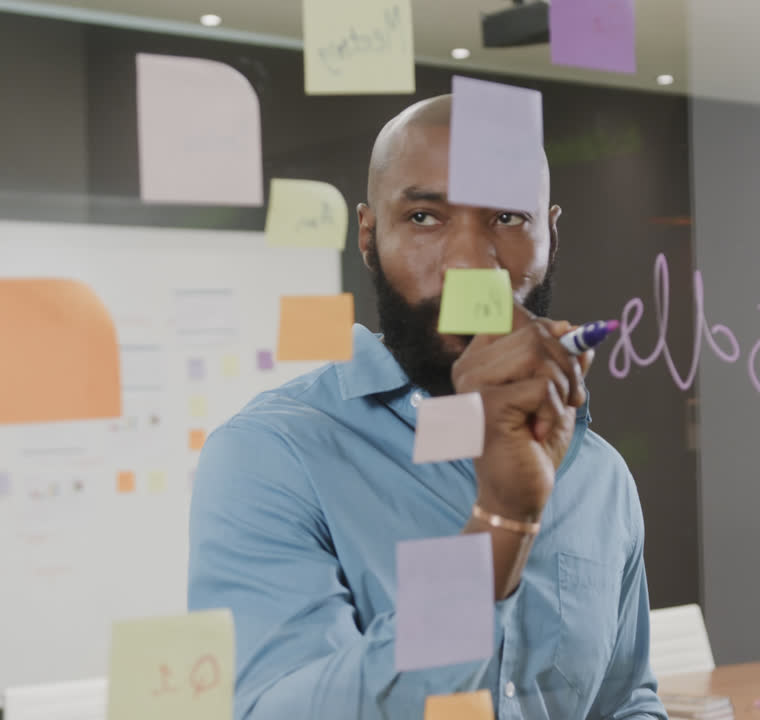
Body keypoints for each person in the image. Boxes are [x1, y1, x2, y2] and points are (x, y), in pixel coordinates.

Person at [188, 95, 666, 720]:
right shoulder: (271, 456)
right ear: (368, 234)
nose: (469, 262)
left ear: (551, 232)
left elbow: (625, 701)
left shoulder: (598, 474)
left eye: (506, 217)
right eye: (422, 216)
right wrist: (499, 525)